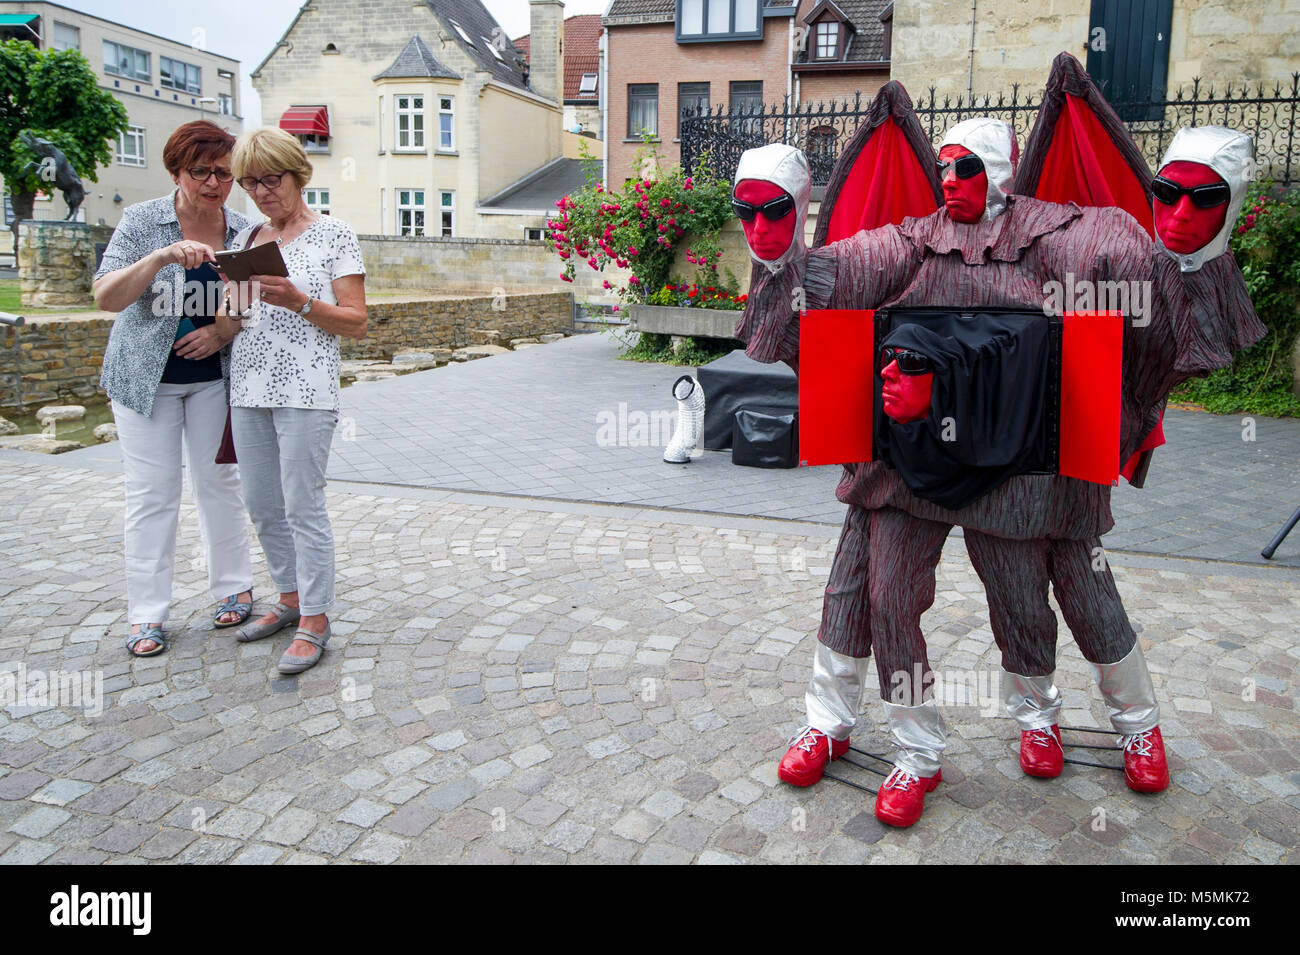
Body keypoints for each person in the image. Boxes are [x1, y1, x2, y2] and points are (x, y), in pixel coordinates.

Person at [733, 116, 1262, 826]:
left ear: (1003, 172)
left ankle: (1093, 718)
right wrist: (783, 238)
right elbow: (828, 280)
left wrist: (1191, 250)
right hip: (910, 464)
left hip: (1023, 468)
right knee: (874, 594)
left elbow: (1145, 279)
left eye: (968, 170)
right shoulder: (911, 244)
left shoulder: (1063, 239)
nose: (951, 183)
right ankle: (899, 742)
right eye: (943, 170)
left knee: (1051, 596)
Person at [93, 120, 255, 657]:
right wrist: (159, 257)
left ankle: (233, 587)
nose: (213, 183)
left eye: (224, 174)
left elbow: (251, 300)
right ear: (175, 172)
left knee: (220, 487)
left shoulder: (241, 229)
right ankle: (146, 615)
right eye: (200, 172)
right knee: (152, 495)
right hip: (145, 382)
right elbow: (106, 298)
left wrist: (219, 331)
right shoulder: (143, 221)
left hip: (214, 379)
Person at [215, 128, 366, 675]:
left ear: (297, 174)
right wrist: (232, 299)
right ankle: (290, 599)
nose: (260, 192)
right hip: (249, 388)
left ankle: (317, 618)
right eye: (250, 183)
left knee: (303, 504)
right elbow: (229, 327)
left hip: (305, 389)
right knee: (262, 503)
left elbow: (357, 321)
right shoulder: (250, 237)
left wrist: (300, 301)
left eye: (269, 180)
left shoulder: (334, 235)